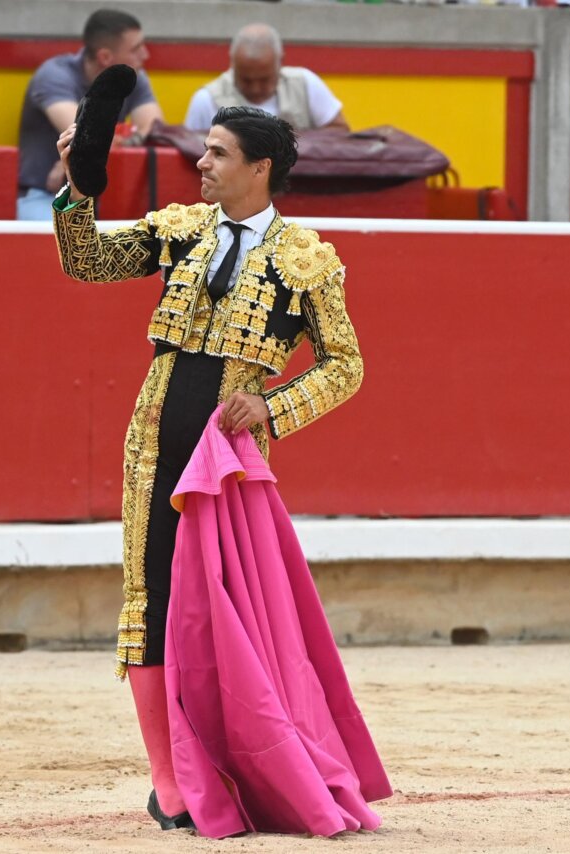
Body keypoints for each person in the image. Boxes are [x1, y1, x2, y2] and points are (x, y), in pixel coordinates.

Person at [53, 106, 368, 832]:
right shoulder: (180, 231)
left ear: (259, 168)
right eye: (204, 151)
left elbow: (345, 365)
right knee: (151, 599)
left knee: (225, 612)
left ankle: (235, 767)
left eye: (218, 153)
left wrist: (275, 407)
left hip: (229, 461)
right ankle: (170, 782)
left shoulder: (306, 259)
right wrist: (77, 195)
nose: (201, 163)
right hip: (156, 440)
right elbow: (88, 261)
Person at [15, 8, 164, 220]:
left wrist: (73, 156)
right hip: (45, 195)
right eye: (136, 48)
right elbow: (87, 138)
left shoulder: (134, 75)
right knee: (56, 244)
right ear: (105, 56)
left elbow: (156, 130)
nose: (145, 55)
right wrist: (86, 146)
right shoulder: (54, 76)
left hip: (105, 199)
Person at [184, 24, 347, 132]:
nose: (255, 89)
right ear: (233, 65)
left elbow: (340, 135)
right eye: (246, 80)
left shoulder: (305, 84)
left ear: (280, 63)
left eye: (264, 80)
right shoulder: (207, 101)